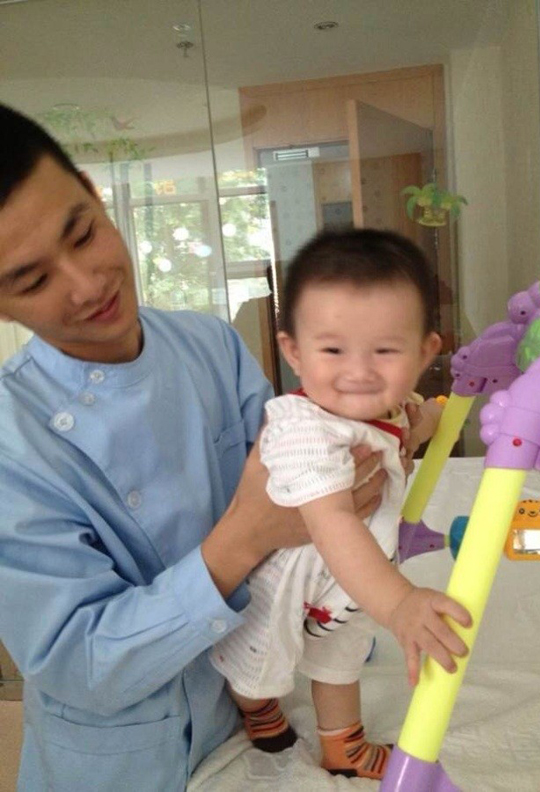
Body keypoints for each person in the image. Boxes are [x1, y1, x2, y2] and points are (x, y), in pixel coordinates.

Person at [0, 104, 388, 792]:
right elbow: (78, 664)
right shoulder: (13, 438)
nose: (87, 285)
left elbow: (294, 489)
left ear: (93, 193)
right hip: (133, 761)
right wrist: (246, 535)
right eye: (33, 281)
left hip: (254, 707)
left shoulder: (208, 344)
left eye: (83, 234)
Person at [211, 229, 472, 781]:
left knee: (343, 657)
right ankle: (254, 707)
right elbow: (331, 520)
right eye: (333, 350)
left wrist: (443, 413)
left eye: (385, 350)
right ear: (294, 352)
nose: (359, 371)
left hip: (356, 577)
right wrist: (399, 603)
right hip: (290, 581)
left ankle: (343, 746)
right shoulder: (302, 429)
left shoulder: (389, 405)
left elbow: (414, 425)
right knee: (260, 664)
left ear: (425, 352)